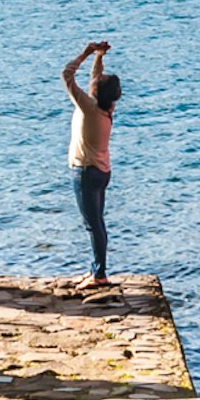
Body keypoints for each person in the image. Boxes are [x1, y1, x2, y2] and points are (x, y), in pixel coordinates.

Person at [62, 40, 122, 286]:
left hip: (85, 172)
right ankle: (97, 269)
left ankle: (99, 275)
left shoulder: (88, 108)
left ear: (96, 92)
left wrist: (86, 53)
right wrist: (99, 57)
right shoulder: (106, 109)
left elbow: (66, 75)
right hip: (101, 171)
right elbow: (96, 79)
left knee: (93, 225)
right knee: (98, 223)